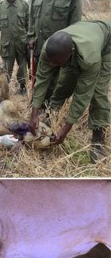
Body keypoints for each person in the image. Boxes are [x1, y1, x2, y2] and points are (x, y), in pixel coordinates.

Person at [29, 20, 111, 163]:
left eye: (57, 62)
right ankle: (51, 116)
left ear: (71, 53)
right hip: (83, 36)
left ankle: (98, 138)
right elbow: (42, 80)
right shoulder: (49, 49)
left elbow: (83, 94)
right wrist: (34, 114)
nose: (53, 65)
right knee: (64, 83)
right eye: (51, 61)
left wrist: (66, 128)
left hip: (105, 43)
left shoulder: (90, 59)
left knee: (98, 93)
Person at [28, 0, 82, 100]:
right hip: (40, 44)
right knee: (40, 76)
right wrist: (31, 37)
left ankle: (50, 107)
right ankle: (37, 103)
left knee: (56, 80)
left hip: (60, 49)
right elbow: (32, 17)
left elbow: (75, 21)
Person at [0, 0, 29, 96]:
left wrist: (30, 41)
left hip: (22, 44)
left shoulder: (24, 6)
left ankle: (22, 87)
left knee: (22, 67)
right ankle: (4, 90)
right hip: (7, 45)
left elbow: (29, 26)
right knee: (5, 69)